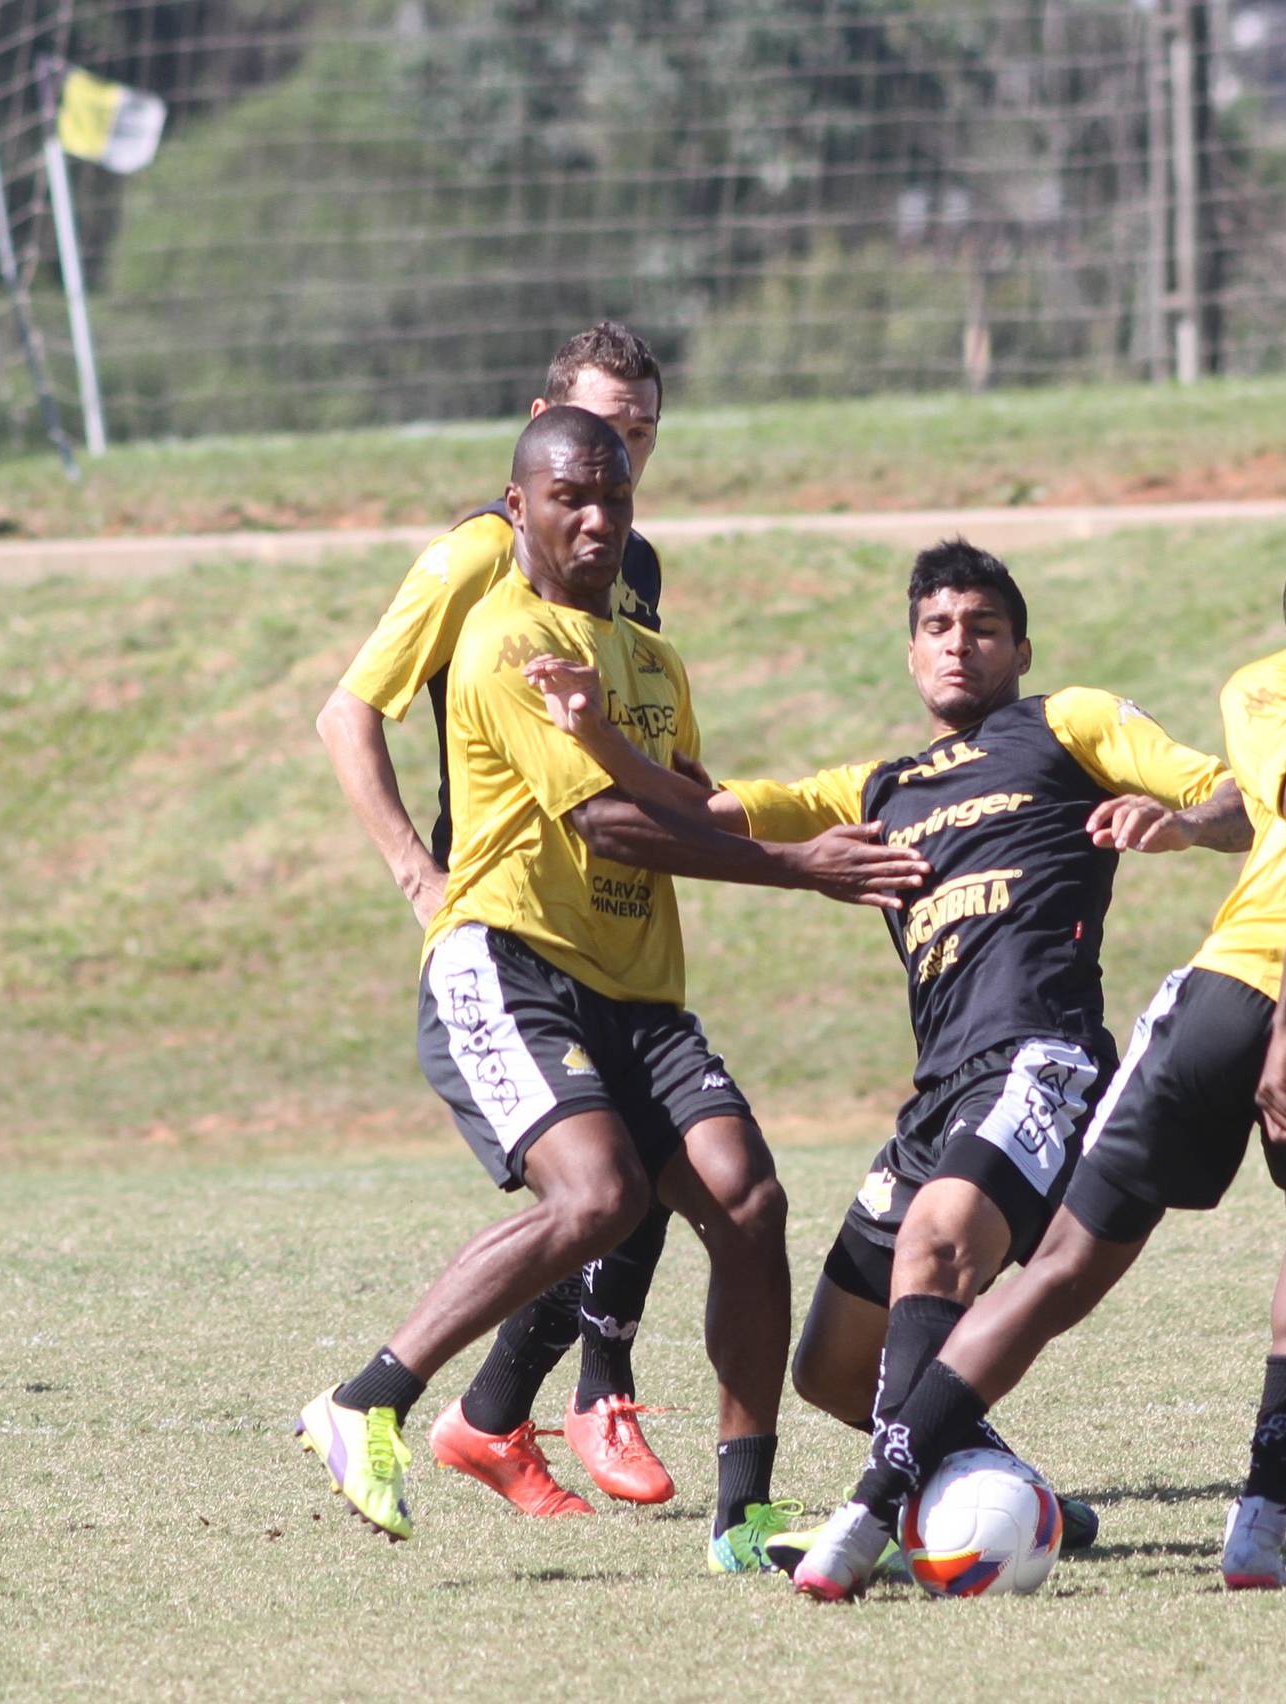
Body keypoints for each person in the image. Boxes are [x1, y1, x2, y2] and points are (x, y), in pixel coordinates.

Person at [782, 531, 1286, 1599]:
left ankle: (863, 1521)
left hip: (1241, 994)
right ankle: (1258, 1530)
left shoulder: (1284, 679)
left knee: (1062, 1269)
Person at [522, 540, 1249, 1573]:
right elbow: (703, 812)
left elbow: (1236, 797)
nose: (959, 645)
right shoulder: (876, 786)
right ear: (911, 654)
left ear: (1021, 651)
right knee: (831, 1369)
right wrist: (594, 733)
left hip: (1037, 1059)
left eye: (984, 629)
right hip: (939, 1094)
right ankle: (1008, 1494)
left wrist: (1179, 822)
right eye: (938, 628)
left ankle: (876, 1519)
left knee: (937, 1241)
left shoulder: (1068, 723)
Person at [295, 408, 931, 1572]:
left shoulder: (650, 659)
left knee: (748, 1201)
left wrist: (847, 808)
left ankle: (742, 1518)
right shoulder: (504, 641)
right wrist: (802, 870)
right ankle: (366, 1400)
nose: (597, 519)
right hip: (511, 964)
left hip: (638, 993)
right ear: (519, 507)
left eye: (616, 498)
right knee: (598, 1198)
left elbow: (686, 803)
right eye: (570, 498)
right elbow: (609, 824)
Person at [317, 322, 686, 1518]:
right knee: (602, 1183)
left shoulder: (632, 562)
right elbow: (346, 715)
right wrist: (414, 876)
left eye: (640, 436)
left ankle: (492, 1418)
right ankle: (568, 1396)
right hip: (511, 918)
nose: (620, 457)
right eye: (601, 429)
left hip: (605, 909)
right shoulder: (474, 556)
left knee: (644, 1170)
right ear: (539, 427)